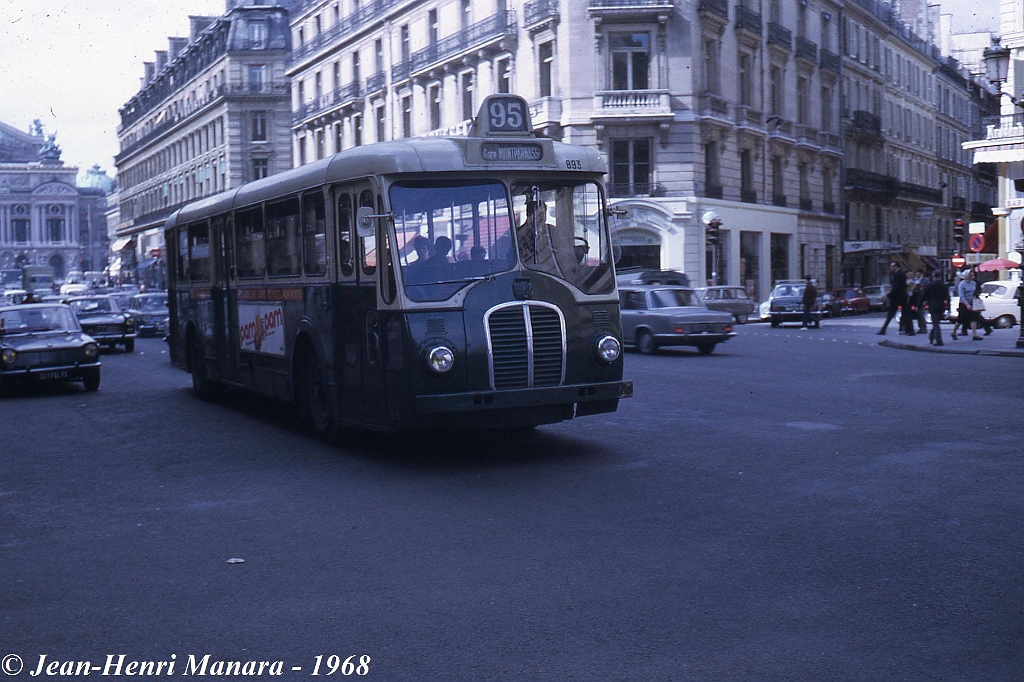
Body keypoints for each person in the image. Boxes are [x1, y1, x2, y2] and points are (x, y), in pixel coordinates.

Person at [954, 269, 987, 341]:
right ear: (966, 276)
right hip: (963, 304)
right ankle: (953, 332)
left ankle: (974, 335)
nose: (972, 277)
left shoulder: (973, 283)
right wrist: (966, 304)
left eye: (973, 275)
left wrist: (976, 299)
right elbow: (961, 296)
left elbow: (974, 293)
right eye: (970, 275)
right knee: (960, 320)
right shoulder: (962, 284)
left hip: (972, 302)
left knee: (973, 318)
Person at [877, 261, 908, 335]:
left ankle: (883, 330)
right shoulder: (902, 273)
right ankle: (902, 329)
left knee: (891, 314)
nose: (891, 268)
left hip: (896, 297)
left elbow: (896, 287)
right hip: (902, 296)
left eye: (892, 266)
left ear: (896, 266)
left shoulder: (897, 274)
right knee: (904, 313)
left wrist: (889, 295)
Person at [920, 270, 950, 346]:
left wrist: (919, 305)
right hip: (941, 306)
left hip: (932, 306)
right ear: (940, 277)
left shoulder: (929, 285)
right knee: (936, 323)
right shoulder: (944, 285)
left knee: (935, 324)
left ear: (933, 277)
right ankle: (932, 337)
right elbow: (947, 297)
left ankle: (938, 340)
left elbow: (923, 296)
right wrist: (948, 307)